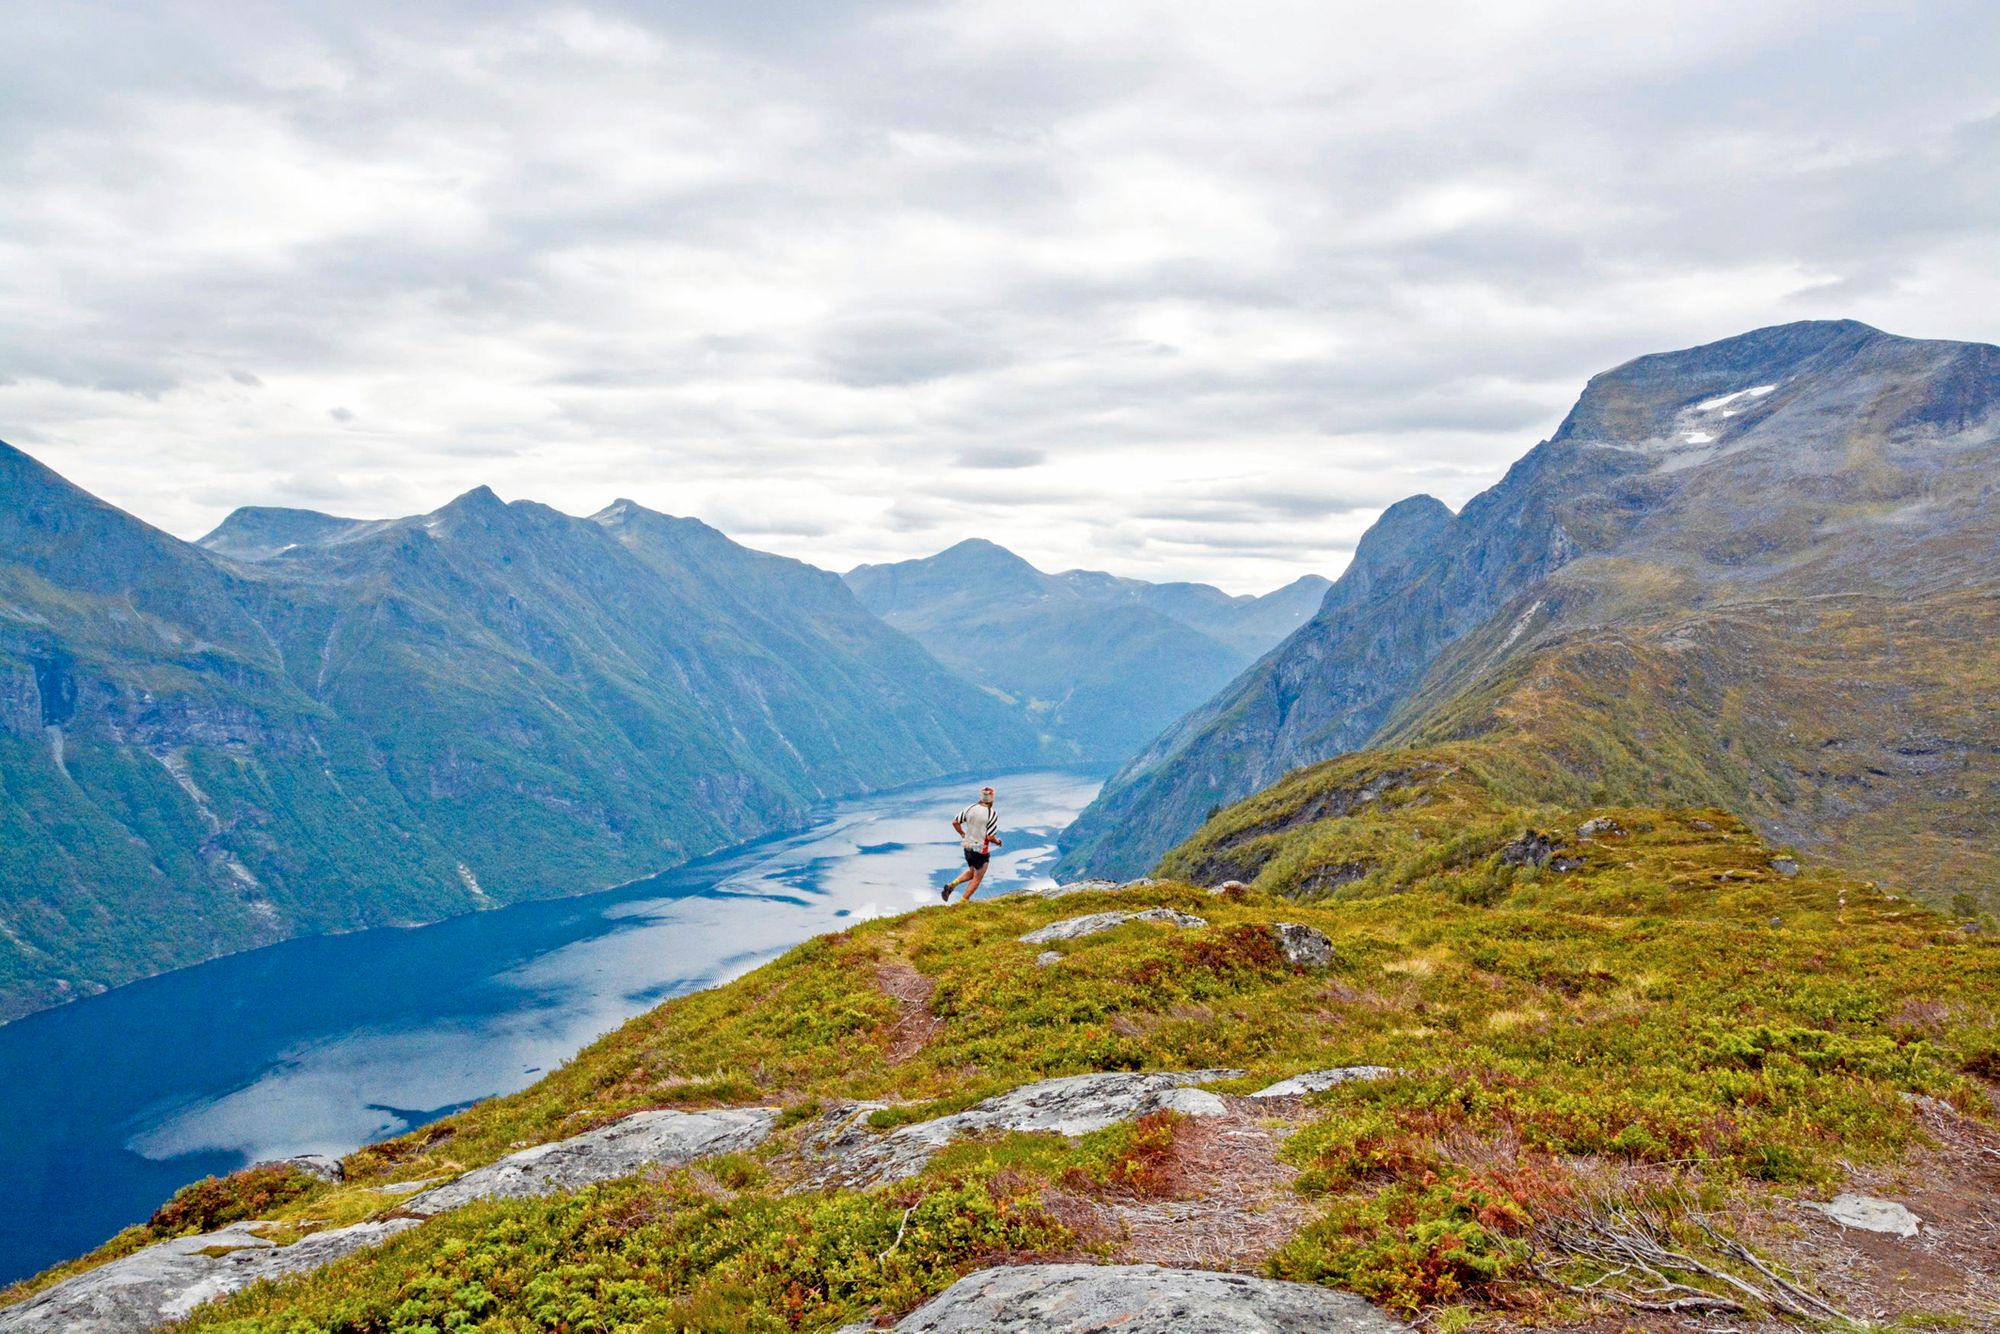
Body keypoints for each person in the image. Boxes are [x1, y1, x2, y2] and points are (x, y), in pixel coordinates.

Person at [940, 785, 1001, 903]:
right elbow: (990, 837)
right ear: (992, 798)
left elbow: (955, 822)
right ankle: (963, 902)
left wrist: (963, 834)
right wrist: (998, 842)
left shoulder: (970, 808)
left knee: (972, 872)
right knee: (978, 877)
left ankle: (951, 886)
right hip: (980, 849)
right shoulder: (991, 813)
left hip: (967, 846)